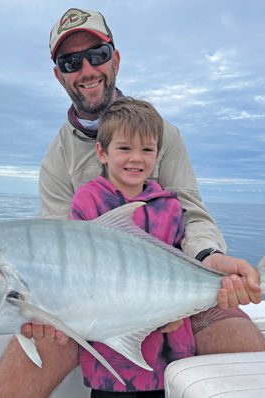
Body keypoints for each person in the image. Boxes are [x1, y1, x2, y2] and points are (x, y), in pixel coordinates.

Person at [0, 8, 265, 398]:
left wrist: (208, 257)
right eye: (71, 62)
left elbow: (191, 211)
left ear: (115, 59)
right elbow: (55, 246)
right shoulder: (57, 159)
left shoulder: (162, 133)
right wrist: (40, 305)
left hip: (181, 288)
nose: (87, 69)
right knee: (7, 392)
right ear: (59, 75)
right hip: (83, 306)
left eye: (98, 55)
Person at [70, 96, 195, 396]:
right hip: (111, 361)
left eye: (147, 150)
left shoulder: (169, 206)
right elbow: (78, 272)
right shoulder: (87, 202)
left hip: (167, 354)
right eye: (124, 148)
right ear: (102, 152)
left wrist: (180, 310)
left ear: (157, 154)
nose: (136, 159)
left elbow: (181, 267)